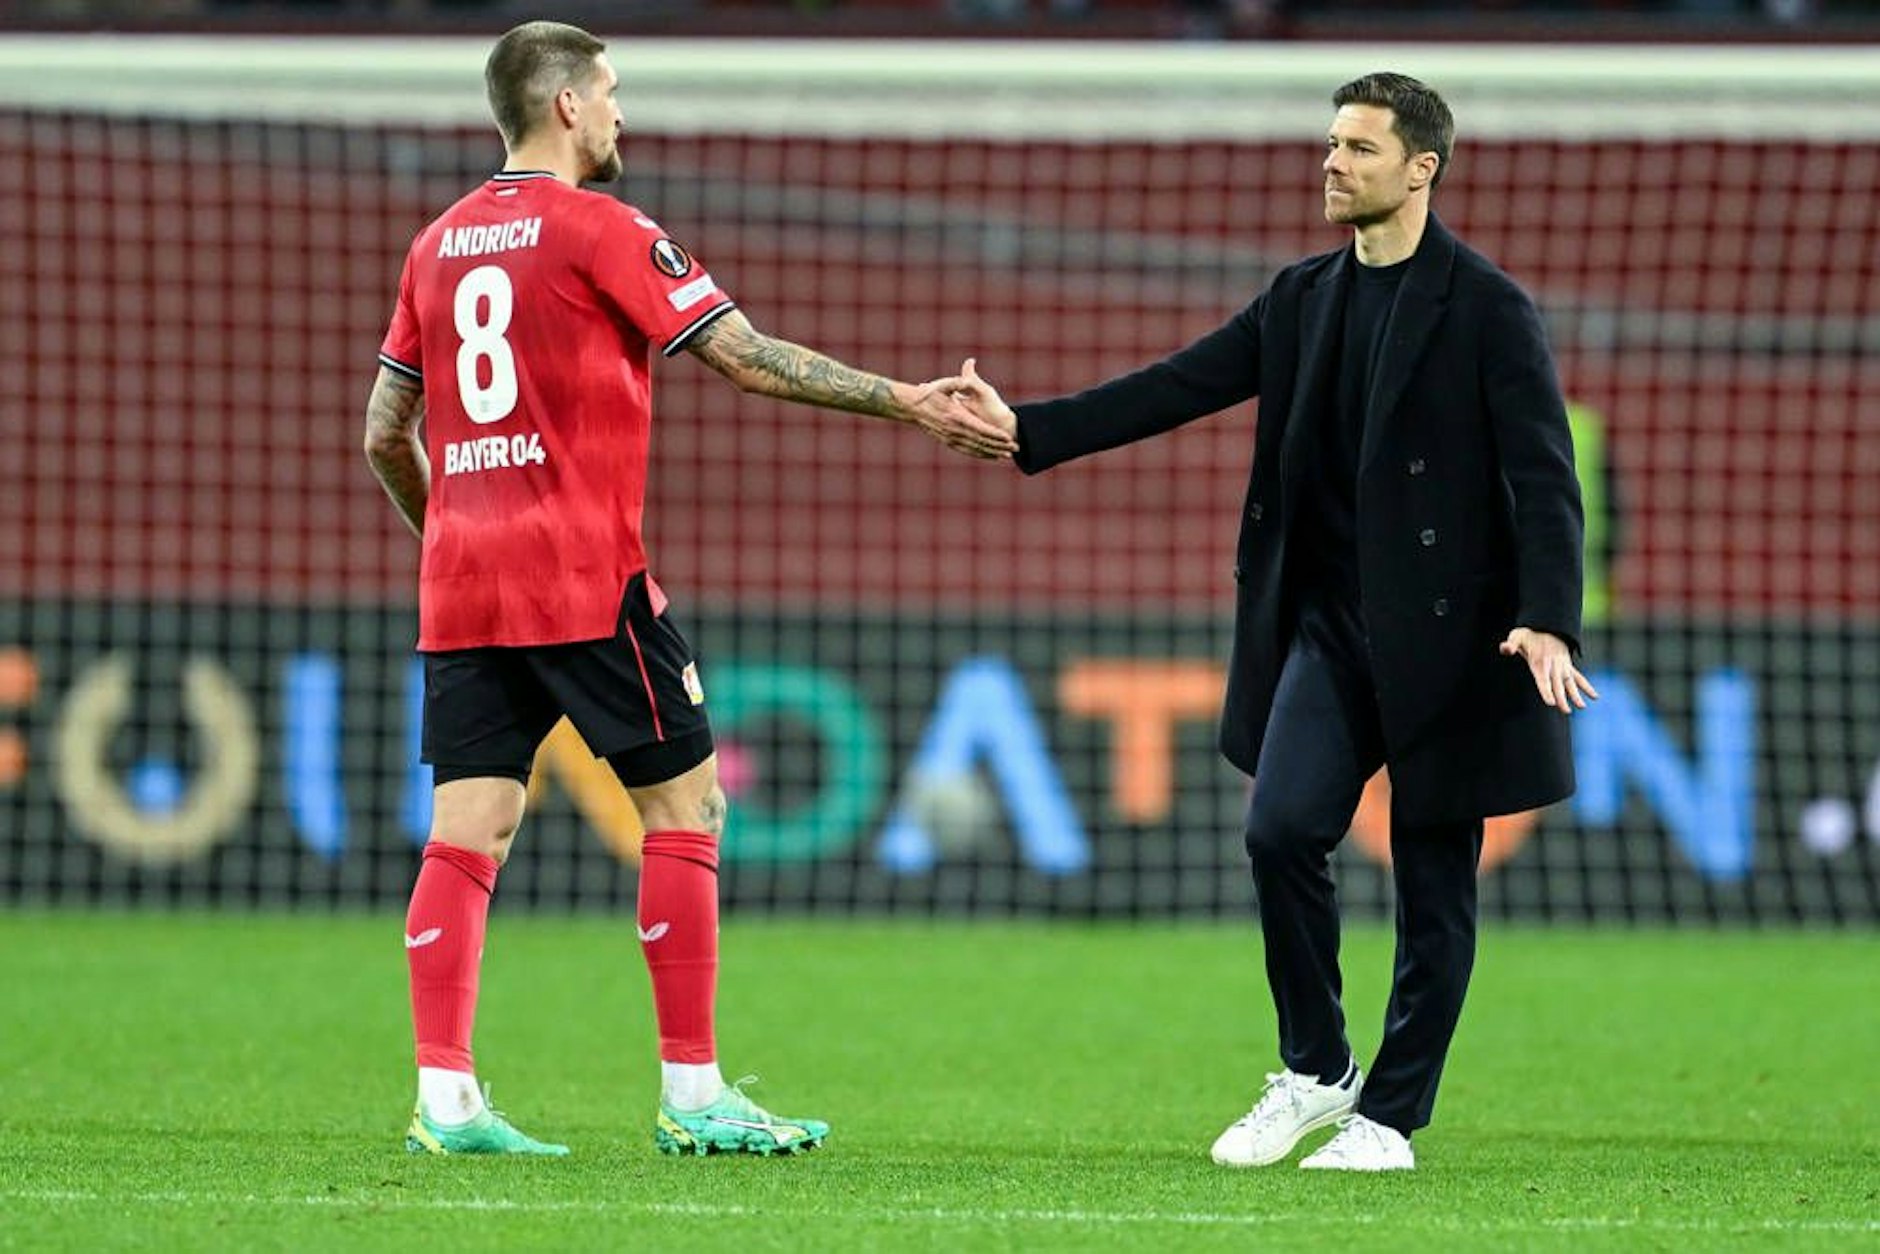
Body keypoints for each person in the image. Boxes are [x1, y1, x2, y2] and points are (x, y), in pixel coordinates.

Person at [363, 20, 1014, 1158]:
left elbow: (382, 434)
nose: (620, 112)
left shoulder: (435, 244)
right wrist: (901, 399)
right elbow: (740, 352)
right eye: (609, 92)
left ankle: (446, 1101)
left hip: (465, 581)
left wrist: (455, 532)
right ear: (564, 105)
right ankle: (694, 1092)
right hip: (582, 575)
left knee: (466, 835)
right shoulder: (600, 226)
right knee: (688, 810)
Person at [951, 72, 1596, 1171]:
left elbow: (1544, 479)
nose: (1330, 163)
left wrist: (1546, 618)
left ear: (1418, 167)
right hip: (1331, 633)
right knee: (1277, 831)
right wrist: (1028, 431)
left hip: (1455, 644)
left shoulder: (1486, 309)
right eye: (1329, 143)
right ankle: (1315, 1068)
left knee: (1431, 888)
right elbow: (1176, 385)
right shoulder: (1302, 298)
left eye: (1354, 147)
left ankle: (1388, 1118)